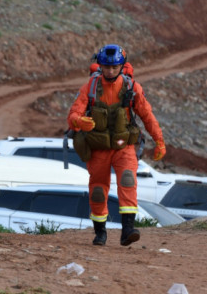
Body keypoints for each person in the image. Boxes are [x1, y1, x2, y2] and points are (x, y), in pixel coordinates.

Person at [67, 44, 166, 246]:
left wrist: (159, 141)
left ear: (121, 66)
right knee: (97, 190)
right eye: (106, 67)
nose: (110, 71)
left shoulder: (132, 88)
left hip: (124, 147)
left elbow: (147, 116)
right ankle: (100, 232)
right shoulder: (90, 87)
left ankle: (128, 230)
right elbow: (73, 114)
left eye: (114, 67)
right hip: (98, 148)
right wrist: (78, 121)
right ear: (100, 66)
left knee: (128, 181)